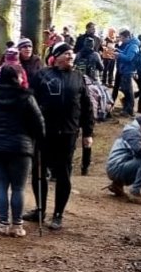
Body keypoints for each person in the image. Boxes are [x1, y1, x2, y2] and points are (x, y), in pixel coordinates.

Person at [28, 42, 94, 230]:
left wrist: (88, 132)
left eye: (72, 53)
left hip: (68, 133)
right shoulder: (42, 75)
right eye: (66, 53)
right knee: (39, 172)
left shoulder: (78, 77)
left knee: (63, 173)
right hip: (44, 132)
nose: (71, 56)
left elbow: (87, 106)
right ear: (56, 57)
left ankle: (58, 214)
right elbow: (30, 101)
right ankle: (40, 210)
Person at [0, 65, 45, 235]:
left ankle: (3, 223)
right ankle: (17, 225)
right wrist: (38, 139)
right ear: (18, 78)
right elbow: (39, 123)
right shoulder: (26, 97)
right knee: (18, 187)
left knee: (0, 184)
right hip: (21, 148)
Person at [104, 114, 141, 204]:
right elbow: (139, 151)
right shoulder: (133, 133)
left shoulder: (130, 131)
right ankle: (135, 193)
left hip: (115, 167)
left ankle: (117, 185)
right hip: (116, 168)